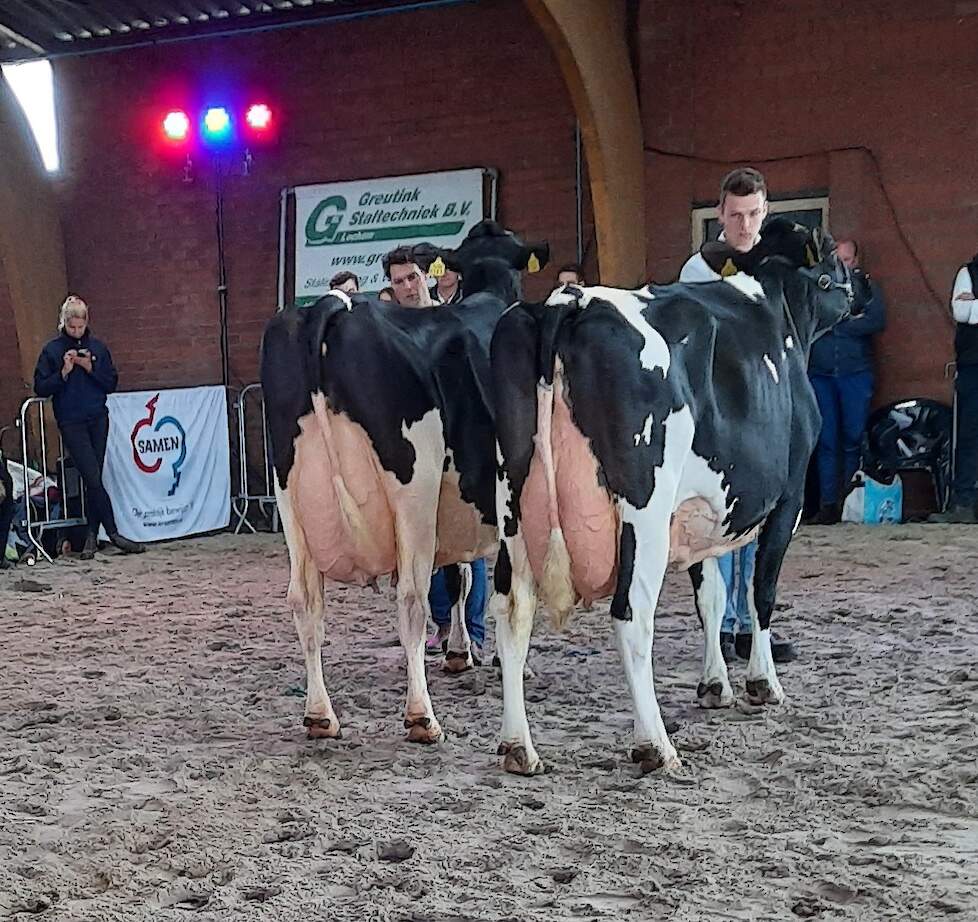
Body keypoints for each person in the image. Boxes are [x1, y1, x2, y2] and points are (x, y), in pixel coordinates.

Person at [679, 167, 797, 664]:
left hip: (767, 404)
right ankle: (721, 625)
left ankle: (751, 624)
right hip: (720, 404)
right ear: (720, 214)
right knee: (719, 519)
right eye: (735, 215)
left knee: (764, 512)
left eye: (753, 214)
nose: (744, 225)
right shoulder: (699, 270)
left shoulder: (780, 264)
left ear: (765, 211)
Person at [382, 244, 487, 662]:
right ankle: (443, 626)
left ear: (429, 274)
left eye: (412, 277)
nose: (407, 287)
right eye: (398, 281)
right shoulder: (391, 331)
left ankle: (472, 631)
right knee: (424, 539)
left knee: (470, 544)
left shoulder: (452, 322)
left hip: (459, 444)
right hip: (414, 450)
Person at [33, 296, 144, 559]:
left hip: (97, 417)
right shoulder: (51, 350)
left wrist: (89, 367)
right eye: (72, 327)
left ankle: (92, 536)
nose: (76, 332)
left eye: (80, 327)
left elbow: (110, 382)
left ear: (86, 323)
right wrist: (64, 372)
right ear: (64, 323)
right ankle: (114, 532)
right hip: (71, 420)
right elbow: (41, 386)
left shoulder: (98, 347)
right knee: (91, 476)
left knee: (94, 478)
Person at [807, 239, 886, 524]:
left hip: (856, 373)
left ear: (856, 260)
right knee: (826, 441)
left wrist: (838, 323)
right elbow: (810, 323)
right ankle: (828, 505)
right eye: (837, 260)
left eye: (847, 260)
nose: (843, 265)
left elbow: (876, 320)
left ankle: (851, 503)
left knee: (853, 438)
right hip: (821, 374)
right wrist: (849, 320)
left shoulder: (866, 286)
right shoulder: (819, 287)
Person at [928, 254, 978, 523]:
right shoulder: (968, 272)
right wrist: (969, 310)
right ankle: (964, 504)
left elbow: (970, 312)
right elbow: (961, 313)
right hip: (973, 366)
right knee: (969, 436)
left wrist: (975, 305)